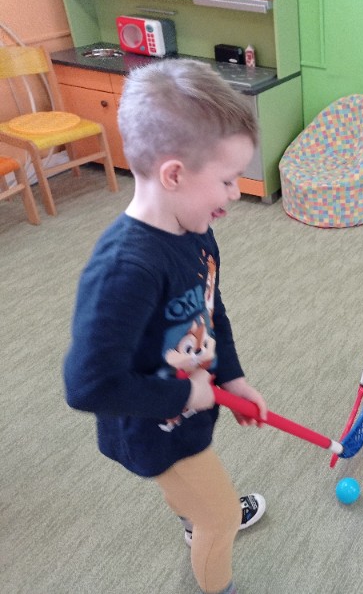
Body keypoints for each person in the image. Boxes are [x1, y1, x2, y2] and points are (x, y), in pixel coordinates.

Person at [64, 59, 269, 594]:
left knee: (197, 496)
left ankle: (192, 514)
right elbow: (86, 386)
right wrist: (184, 397)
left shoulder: (195, 228)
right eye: (226, 180)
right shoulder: (125, 269)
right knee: (221, 518)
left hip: (189, 403)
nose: (235, 193)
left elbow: (211, 309)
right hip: (152, 428)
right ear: (174, 174)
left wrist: (231, 377)